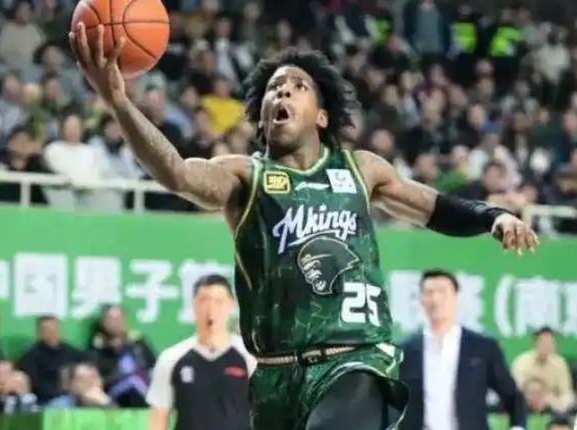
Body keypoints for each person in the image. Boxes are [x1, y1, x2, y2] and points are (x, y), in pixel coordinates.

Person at [69, 26, 538, 429]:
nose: (283, 93)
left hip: (355, 360)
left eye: (297, 86)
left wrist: (491, 216)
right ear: (261, 116)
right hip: (275, 376)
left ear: (322, 114)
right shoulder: (245, 176)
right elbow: (175, 173)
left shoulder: (360, 170)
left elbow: (434, 207)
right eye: (274, 88)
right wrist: (118, 101)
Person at [399, 269, 526, 430]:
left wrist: (517, 427)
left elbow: (512, 395)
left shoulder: (482, 347)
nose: (435, 298)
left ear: (456, 297)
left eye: (442, 292)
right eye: (429, 292)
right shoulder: (406, 350)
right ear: (421, 300)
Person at [146, 274, 255, 430]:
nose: (211, 309)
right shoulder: (172, 358)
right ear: (194, 304)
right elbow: (158, 418)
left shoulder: (248, 357)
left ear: (231, 305)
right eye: (204, 301)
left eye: (219, 302)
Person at [90, 305, 156, 408]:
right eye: (111, 319)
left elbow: (153, 367)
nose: (116, 323)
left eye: (119, 319)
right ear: (103, 323)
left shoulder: (138, 344)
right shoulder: (97, 349)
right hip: (113, 394)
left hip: (143, 391)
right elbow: (99, 379)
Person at [18, 316, 87, 404]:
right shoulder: (30, 356)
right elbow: (34, 383)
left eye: (52, 329)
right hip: (45, 399)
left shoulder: (73, 352)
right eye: (45, 329)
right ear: (39, 332)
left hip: (74, 395)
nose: (50, 332)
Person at [512, 327, 576, 414]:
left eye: (550, 343)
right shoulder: (522, 362)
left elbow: (566, 393)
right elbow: (515, 389)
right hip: (525, 404)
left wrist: (551, 402)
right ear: (535, 343)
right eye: (543, 343)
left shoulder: (560, 364)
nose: (546, 346)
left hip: (551, 405)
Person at [47, 363, 114, 408]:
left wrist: (106, 404)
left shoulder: (108, 401)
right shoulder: (59, 406)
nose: (89, 382)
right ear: (71, 385)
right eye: (81, 379)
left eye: (93, 377)